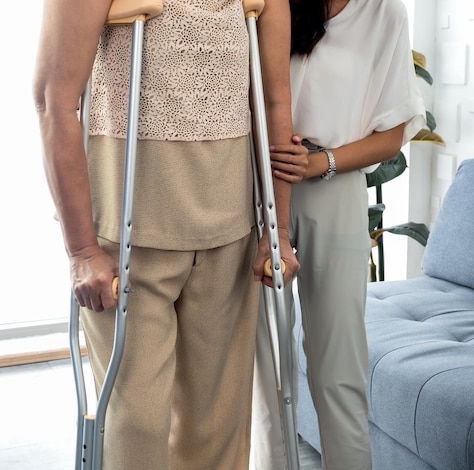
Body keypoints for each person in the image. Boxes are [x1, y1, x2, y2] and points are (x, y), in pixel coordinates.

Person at [32, 1, 307, 469]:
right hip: (127, 237)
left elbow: (274, 103)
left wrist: (276, 231)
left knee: (216, 426)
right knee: (137, 424)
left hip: (230, 232)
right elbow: (53, 100)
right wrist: (80, 250)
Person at [251, 0, 426, 469]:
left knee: (339, 370)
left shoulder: (384, 13)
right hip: (261, 188)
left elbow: (394, 130)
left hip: (335, 185)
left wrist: (319, 162)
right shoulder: (276, 4)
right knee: (267, 373)